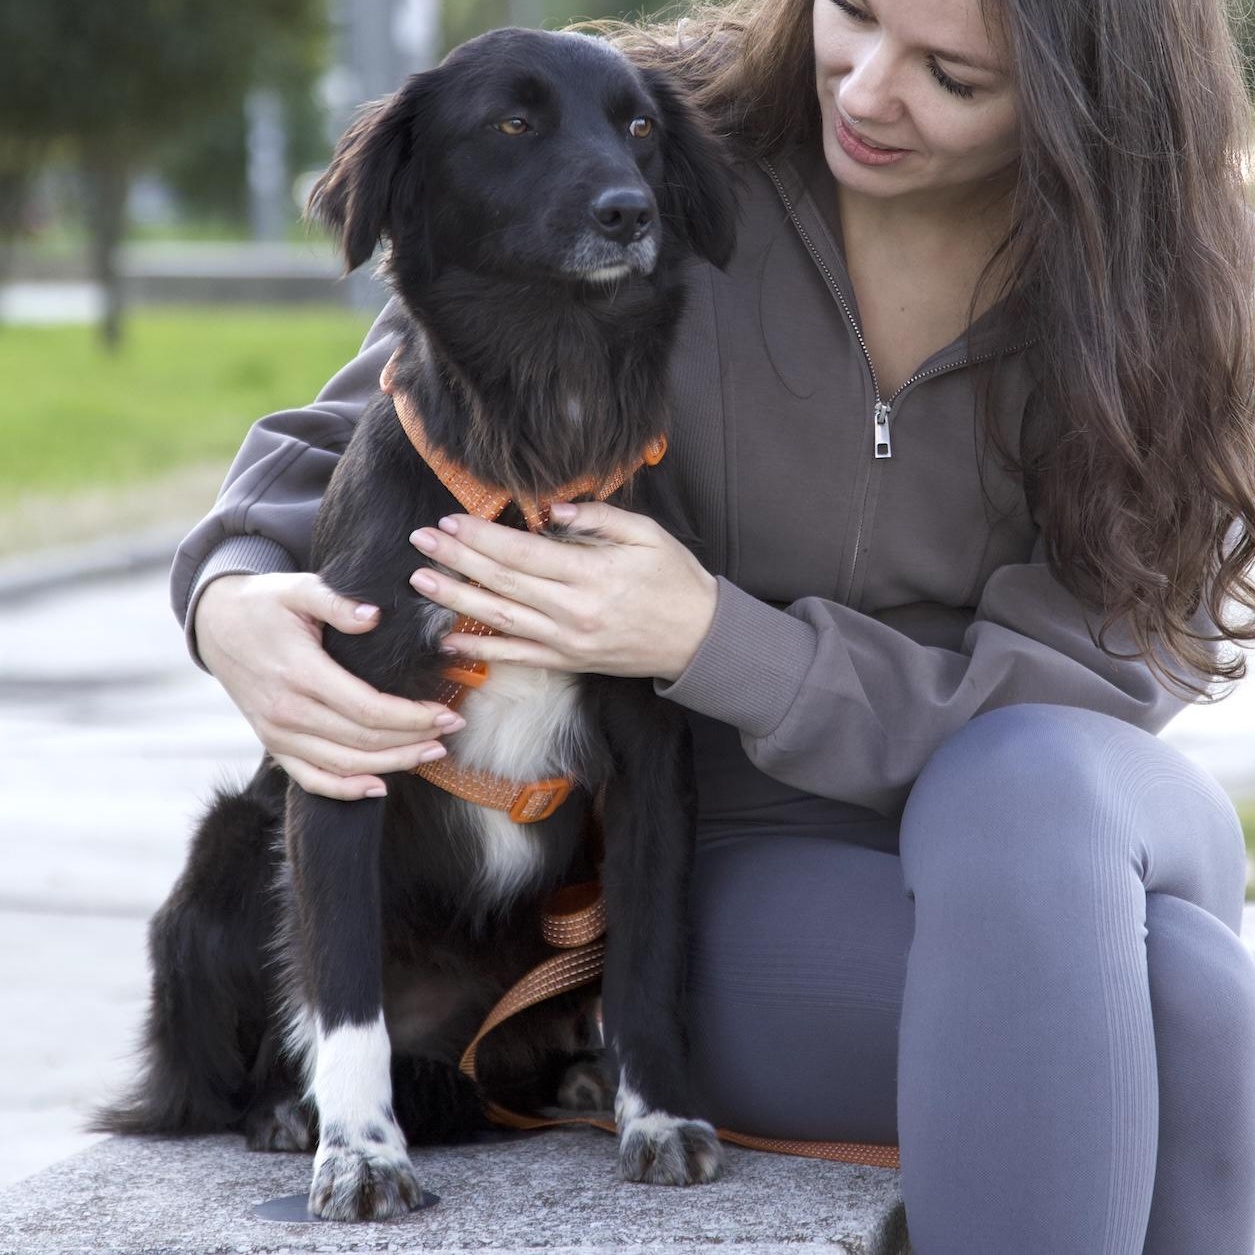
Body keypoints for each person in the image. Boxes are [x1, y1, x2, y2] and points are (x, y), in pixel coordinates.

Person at [172, 0, 1255, 1248]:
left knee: (1024, 784)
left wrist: (719, 644)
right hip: (752, 867)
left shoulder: (1173, 288)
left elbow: (1094, 673)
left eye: (951, 76)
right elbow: (385, 425)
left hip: (1079, 824)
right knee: (1186, 1006)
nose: (866, 89)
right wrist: (230, 597)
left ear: (1087, 113)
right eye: (853, 13)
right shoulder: (659, 142)